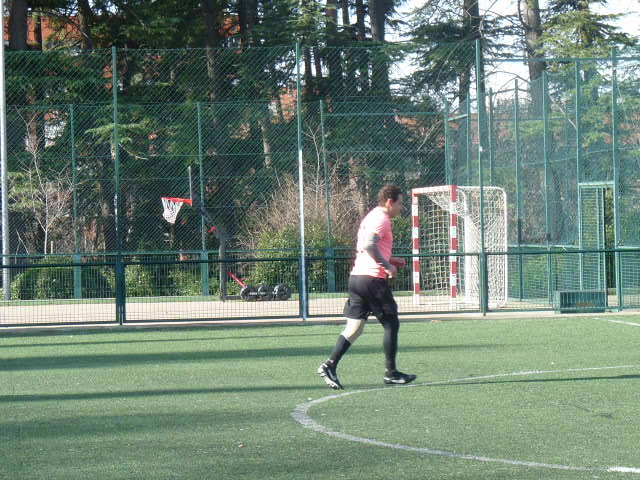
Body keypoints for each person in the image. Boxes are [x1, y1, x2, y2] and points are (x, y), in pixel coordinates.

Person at [317, 185, 416, 390]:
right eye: (399, 203)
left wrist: (392, 260)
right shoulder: (382, 219)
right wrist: (386, 265)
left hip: (357, 278)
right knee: (391, 323)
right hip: (372, 279)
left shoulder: (372, 216)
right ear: (389, 201)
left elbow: (370, 247)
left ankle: (329, 366)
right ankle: (391, 373)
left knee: (354, 328)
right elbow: (369, 245)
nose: (401, 207)